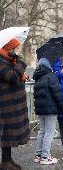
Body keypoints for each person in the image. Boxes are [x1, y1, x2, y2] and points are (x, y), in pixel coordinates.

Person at [0, 38, 30, 170]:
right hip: (6, 105)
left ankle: (7, 160)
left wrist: (22, 76)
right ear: (9, 48)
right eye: (16, 47)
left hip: (12, 105)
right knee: (6, 133)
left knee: (9, 134)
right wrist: (21, 62)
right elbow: (11, 76)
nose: (18, 50)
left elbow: (15, 77)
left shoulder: (9, 60)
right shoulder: (1, 61)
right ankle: (6, 162)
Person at [33, 58, 63, 165]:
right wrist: (62, 108)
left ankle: (38, 155)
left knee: (42, 132)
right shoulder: (51, 77)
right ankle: (45, 157)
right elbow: (58, 94)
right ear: (48, 67)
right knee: (49, 132)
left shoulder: (38, 78)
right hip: (51, 109)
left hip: (40, 110)